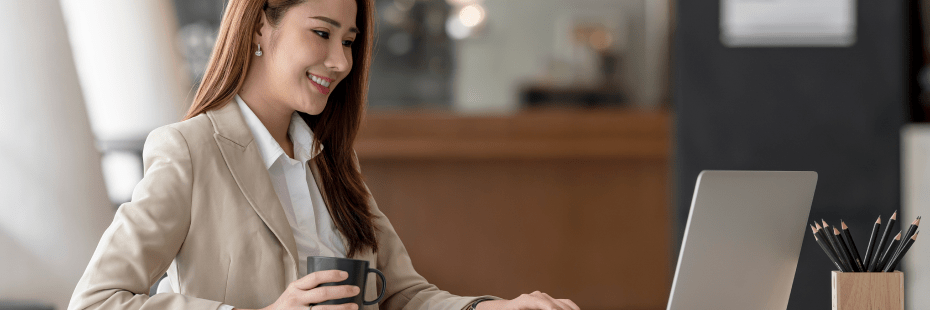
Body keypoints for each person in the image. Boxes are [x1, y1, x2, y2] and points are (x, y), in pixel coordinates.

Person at [68, 1, 581, 310]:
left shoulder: (333, 162)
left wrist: (493, 308)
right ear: (260, 26)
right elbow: (97, 299)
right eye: (321, 33)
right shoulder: (189, 150)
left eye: (349, 41)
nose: (340, 61)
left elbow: (401, 296)